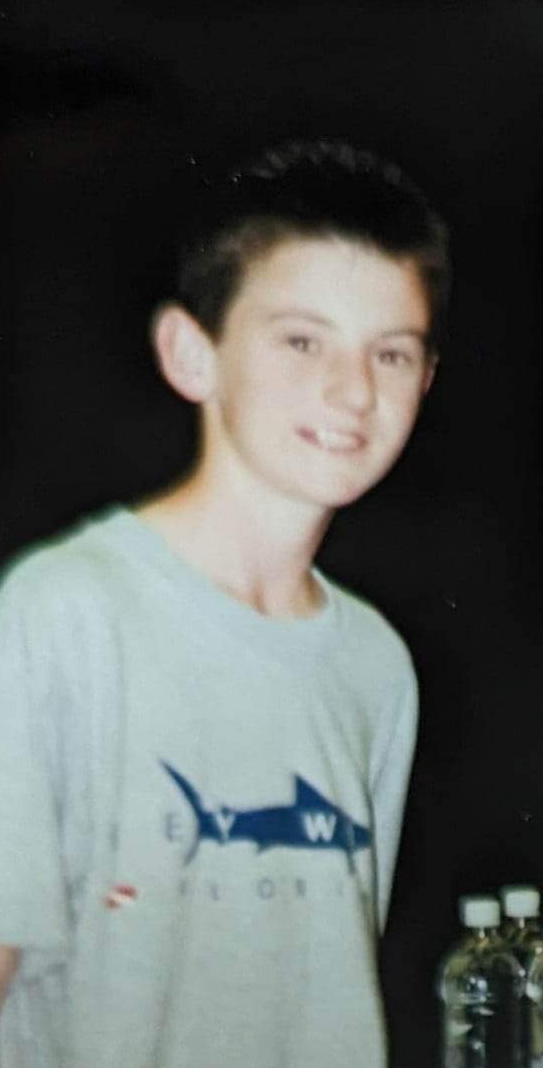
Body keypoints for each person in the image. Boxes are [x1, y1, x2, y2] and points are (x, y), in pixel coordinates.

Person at [0, 140, 448, 1068]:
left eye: (391, 353)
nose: (353, 391)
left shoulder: (374, 663)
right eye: (301, 340)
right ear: (189, 354)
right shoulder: (59, 614)